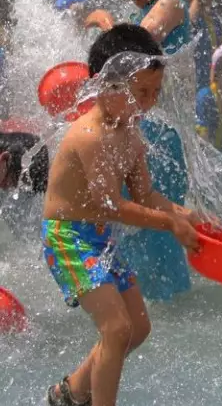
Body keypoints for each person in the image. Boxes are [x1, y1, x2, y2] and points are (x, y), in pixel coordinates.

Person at [42, 25, 201, 406]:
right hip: (69, 238)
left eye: (154, 93)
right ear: (106, 86)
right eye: (140, 92)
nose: (147, 103)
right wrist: (169, 224)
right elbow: (112, 205)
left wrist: (187, 214)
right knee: (116, 328)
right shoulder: (91, 135)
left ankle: (70, 393)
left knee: (138, 328)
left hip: (99, 237)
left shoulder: (130, 130)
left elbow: (145, 193)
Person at [108, 0, 193, 301]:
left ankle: (167, 300)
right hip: (145, 131)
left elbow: (141, 45)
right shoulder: (144, 11)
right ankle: (143, 299)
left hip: (160, 136)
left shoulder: (169, 3)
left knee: (153, 222)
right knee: (133, 224)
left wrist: (103, 22)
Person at [188, 0, 222, 92]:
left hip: (211, 73)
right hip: (195, 73)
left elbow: (219, 45)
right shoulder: (189, 12)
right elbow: (189, 26)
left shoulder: (214, 18)